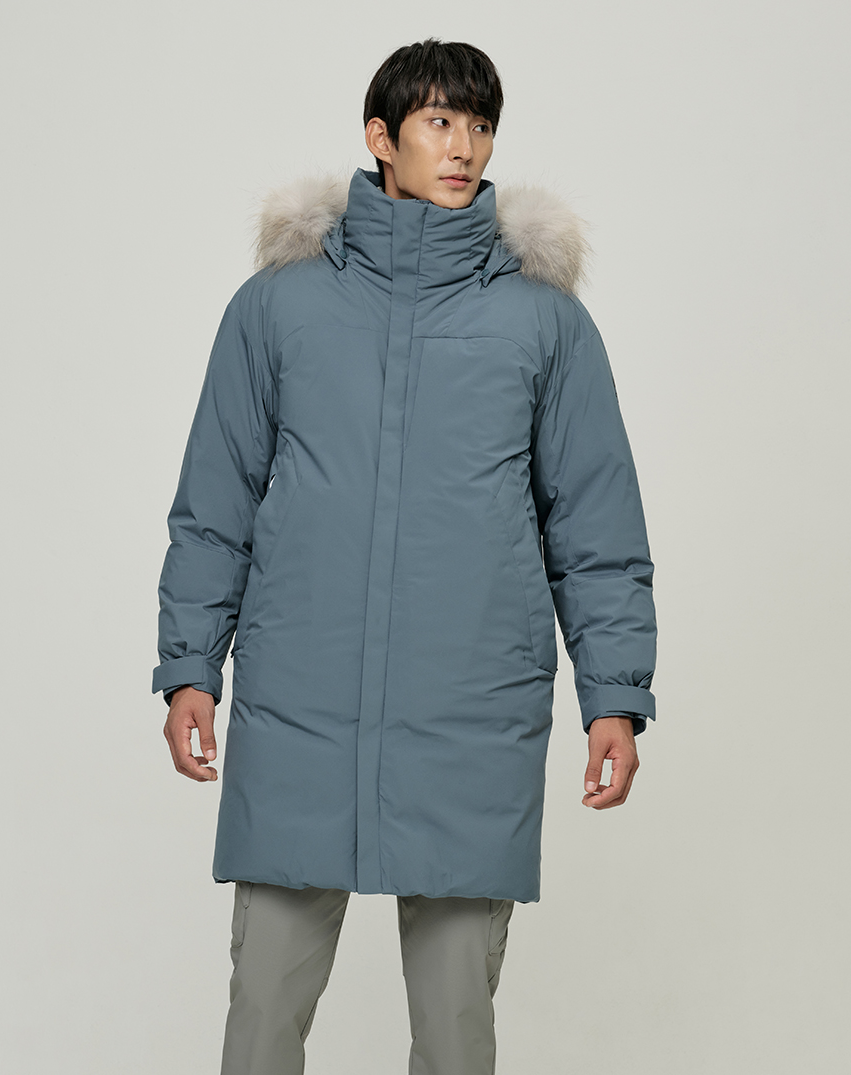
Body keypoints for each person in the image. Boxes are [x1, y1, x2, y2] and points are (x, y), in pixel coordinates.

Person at [153, 37, 656, 1075]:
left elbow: (596, 528)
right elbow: (214, 505)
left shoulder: (545, 324)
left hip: (471, 714)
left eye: (479, 125)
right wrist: (190, 664)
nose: (462, 145)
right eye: (438, 121)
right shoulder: (277, 308)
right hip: (300, 709)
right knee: (263, 1016)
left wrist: (614, 693)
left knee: (455, 1031)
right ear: (381, 138)